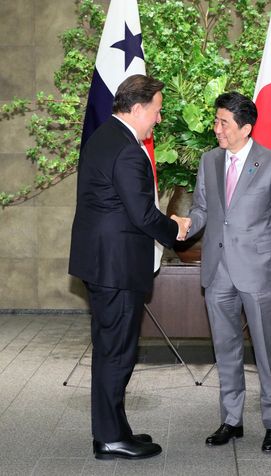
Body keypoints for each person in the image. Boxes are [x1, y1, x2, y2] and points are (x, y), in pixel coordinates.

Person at [69, 74, 191, 461]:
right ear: (137, 109)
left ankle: (113, 429)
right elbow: (141, 214)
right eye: (156, 111)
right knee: (117, 353)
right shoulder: (126, 149)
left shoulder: (103, 137)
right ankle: (108, 439)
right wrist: (175, 228)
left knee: (111, 349)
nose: (158, 119)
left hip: (102, 263)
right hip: (117, 267)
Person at [187, 91, 271, 452]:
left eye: (223, 123)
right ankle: (231, 420)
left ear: (245, 128)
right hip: (217, 272)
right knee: (226, 348)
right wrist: (187, 223)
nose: (216, 128)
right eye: (216, 121)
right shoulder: (209, 161)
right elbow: (202, 209)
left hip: (260, 272)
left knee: (266, 351)